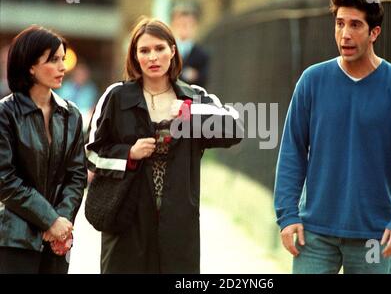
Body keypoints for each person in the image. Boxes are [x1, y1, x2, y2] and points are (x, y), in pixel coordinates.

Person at [274, 0, 391, 274]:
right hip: (315, 234)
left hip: (374, 236)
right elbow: (292, 152)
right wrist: (287, 216)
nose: (345, 34)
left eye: (355, 25)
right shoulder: (312, 81)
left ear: (374, 32)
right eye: (339, 23)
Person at [85, 17, 242, 273]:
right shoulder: (116, 96)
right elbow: (91, 154)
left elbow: (235, 128)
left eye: (159, 48)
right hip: (127, 219)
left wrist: (192, 113)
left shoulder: (195, 96)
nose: (153, 57)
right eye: (144, 51)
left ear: (173, 49)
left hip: (178, 224)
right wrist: (129, 153)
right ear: (135, 57)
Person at [0, 25, 87, 273]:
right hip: (15, 240)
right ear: (30, 66)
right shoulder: (5, 114)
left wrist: (62, 221)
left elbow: (77, 174)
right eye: (53, 60)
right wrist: (50, 220)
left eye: (63, 59)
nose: (62, 67)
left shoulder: (71, 114)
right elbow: (5, 180)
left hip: (57, 241)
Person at [170, 2, 209, 89]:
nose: (184, 28)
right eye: (180, 24)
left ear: (195, 26)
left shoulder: (202, 54)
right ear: (173, 25)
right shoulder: (167, 51)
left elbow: (204, 79)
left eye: (188, 25)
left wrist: (196, 76)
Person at [56, 61, 98, 133]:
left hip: (84, 120)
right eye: (79, 74)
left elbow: (94, 107)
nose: (81, 76)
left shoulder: (91, 89)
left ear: (87, 75)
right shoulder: (65, 87)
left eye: (83, 74)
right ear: (74, 74)